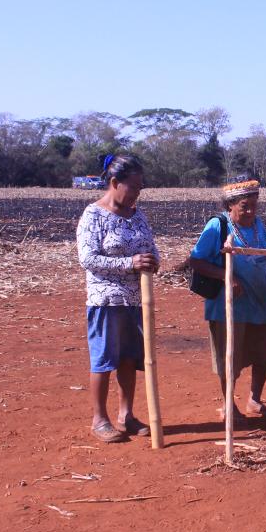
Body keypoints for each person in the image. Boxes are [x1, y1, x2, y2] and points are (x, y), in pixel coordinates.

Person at [75, 154, 160, 443]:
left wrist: (152, 261)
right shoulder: (93, 216)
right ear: (114, 183)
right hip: (105, 301)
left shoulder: (138, 215)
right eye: (133, 187)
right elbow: (87, 258)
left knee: (130, 358)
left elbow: (151, 248)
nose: (137, 193)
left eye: (140, 188)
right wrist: (130, 263)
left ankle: (127, 415)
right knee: (103, 359)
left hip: (137, 300)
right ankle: (100, 419)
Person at [188, 177, 266, 422]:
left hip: (261, 301)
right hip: (229, 304)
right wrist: (227, 276)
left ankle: (254, 400)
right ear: (230, 205)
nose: (250, 211)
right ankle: (229, 404)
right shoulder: (218, 226)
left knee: (264, 353)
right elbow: (196, 261)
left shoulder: (259, 225)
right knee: (230, 356)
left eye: (254, 205)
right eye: (244, 206)